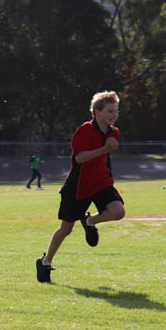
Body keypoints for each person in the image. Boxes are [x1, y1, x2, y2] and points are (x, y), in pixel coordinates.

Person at [36, 91, 125, 283]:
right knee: (66, 229)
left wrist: (110, 149)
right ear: (97, 112)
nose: (114, 115)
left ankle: (90, 221)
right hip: (79, 185)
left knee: (118, 212)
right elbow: (79, 158)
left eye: (116, 111)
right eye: (110, 111)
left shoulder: (113, 132)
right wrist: (105, 149)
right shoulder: (85, 130)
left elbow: (104, 155)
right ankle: (45, 262)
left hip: (101, 182)